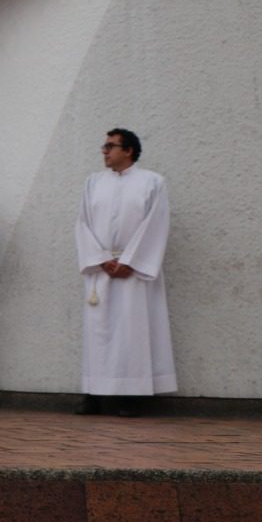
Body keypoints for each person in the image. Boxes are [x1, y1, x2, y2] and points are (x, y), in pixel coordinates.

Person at [74, 128, 174, 417]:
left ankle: (131, 397)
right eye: (104, 146)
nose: (104, 151)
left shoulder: (152, 182)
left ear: (128, 150)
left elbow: (157, 223)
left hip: (134, 270)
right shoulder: (93, 182)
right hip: (102, 268)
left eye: (110, 146)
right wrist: (101, 258)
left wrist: (130, 261)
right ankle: (94, 394)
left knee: (132, 332)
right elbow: (82, 223)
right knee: (98, 332)